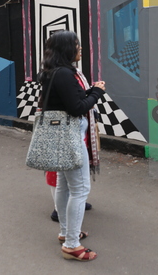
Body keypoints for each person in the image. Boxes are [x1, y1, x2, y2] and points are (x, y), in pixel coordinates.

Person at [38, 30, 105, 261]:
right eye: (77, 45)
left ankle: (67, 232)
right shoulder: (66, 74)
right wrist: (97, 92)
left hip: (59, 137)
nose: (80, 49)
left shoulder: (50, 72)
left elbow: (68, 100)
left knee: (65, 186)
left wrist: (89, 92)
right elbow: (77, 107)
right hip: (70, 138)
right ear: (67, 49)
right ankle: (71, 245)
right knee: (80, 190)